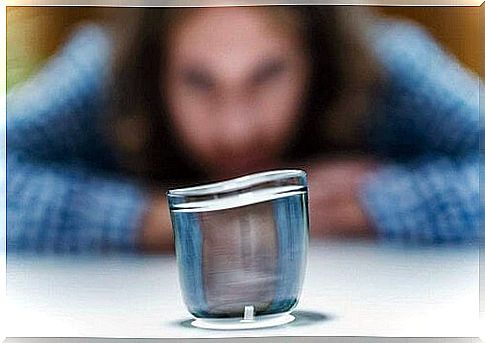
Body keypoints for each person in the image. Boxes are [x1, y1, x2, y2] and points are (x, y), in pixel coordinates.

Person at [6, 6, 480, 254]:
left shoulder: (384, 67)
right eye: (199, 81)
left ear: (315, 56)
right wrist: (155, 222)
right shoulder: (106, 75)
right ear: (155, 69)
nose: (236, 129)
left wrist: (372, 206)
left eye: (267, 75)